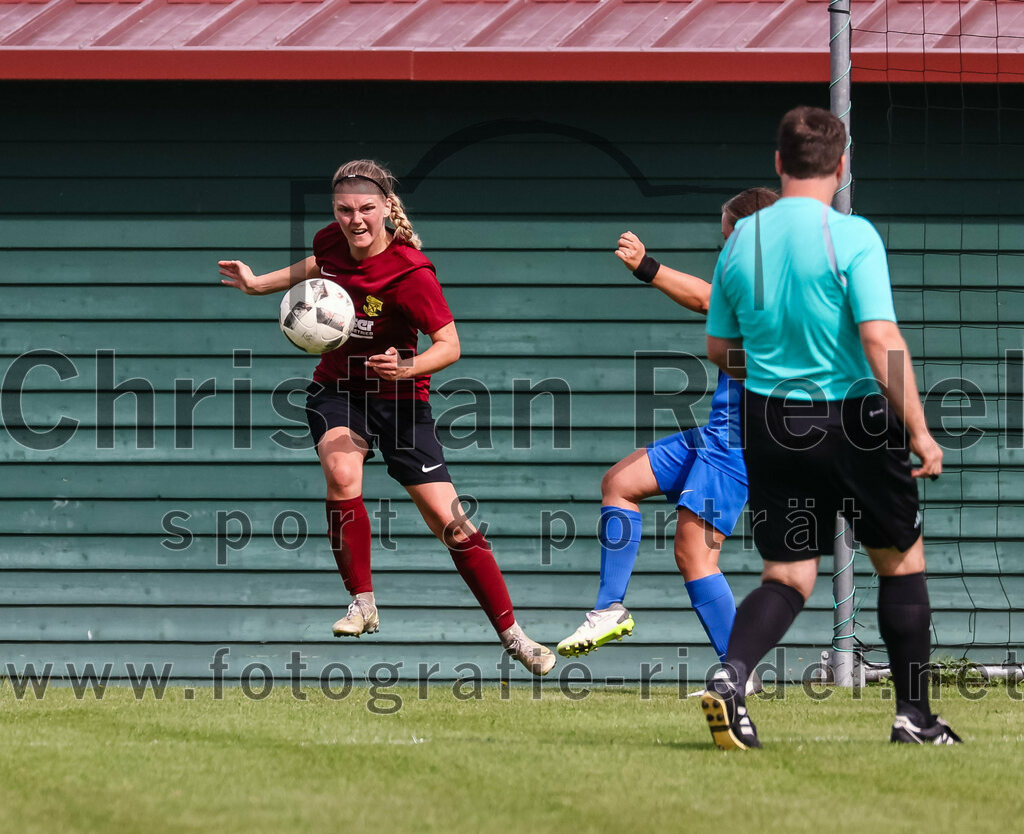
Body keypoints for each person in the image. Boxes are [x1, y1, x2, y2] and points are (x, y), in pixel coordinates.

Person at [219, 159, 555, 676]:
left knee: (453, 526)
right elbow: (318, 266)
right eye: (345, 209)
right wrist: (257, 284)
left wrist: (408, 367)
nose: (355, 220)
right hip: (339, 390)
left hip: (401, 401)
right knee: (341, 471)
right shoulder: (330, 240)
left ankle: (514, 636)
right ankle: (363, 601)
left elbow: (451, 345)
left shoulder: (410, 273)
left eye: (366, 209)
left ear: (385, 208)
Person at [702, 106, 961, 748]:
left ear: (779, 163)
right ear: (842, 166)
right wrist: (921, 431)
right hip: (854, 420)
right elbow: (879, 338)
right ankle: (914, 718)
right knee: (900, 563)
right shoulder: (852, 237)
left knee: (788, 574)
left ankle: (732, 677)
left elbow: (718, 349)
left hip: (770, 420)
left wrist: (768, 369)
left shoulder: (745, 242)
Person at [556, 188, 779, 688]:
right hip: (716, 433)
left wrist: (647, 267)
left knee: (694, 554)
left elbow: (705, 299)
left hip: (740, 443)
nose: (725, 250)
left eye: (729, 239)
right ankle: (610, 608)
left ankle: (739, 674)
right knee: (620, 482)